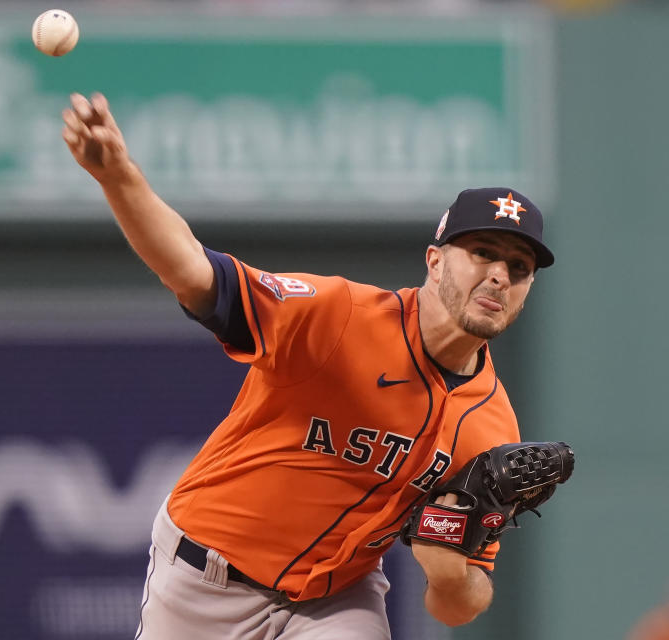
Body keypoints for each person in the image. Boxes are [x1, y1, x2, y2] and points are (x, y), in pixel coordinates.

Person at [61, 92, 556, 640]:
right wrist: (119, 178)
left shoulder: (493, 427)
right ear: (435, 262)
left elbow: (459, 605)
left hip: (335, 600)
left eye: (519, 267)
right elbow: (193, 272)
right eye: (483, 253)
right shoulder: (338, 316)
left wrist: (448, 576)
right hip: (206, 578)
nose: (499, 276)